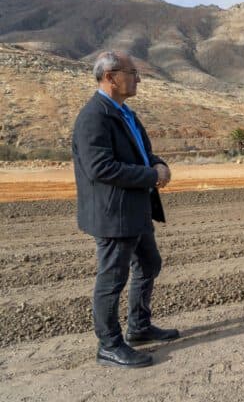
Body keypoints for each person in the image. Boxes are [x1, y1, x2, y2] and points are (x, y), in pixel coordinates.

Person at [72, 51, 178, 368]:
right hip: (114, 214)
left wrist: (157, 163)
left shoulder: (124, 113)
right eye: (133, 72)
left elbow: (143, 152)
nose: (138, 78)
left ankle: (139, 327)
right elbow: (100, 168)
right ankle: (109, 345)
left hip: (135, 210)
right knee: (112, 279)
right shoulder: (94, 116)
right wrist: (151, 175)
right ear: (110, 76)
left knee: (149, 262)